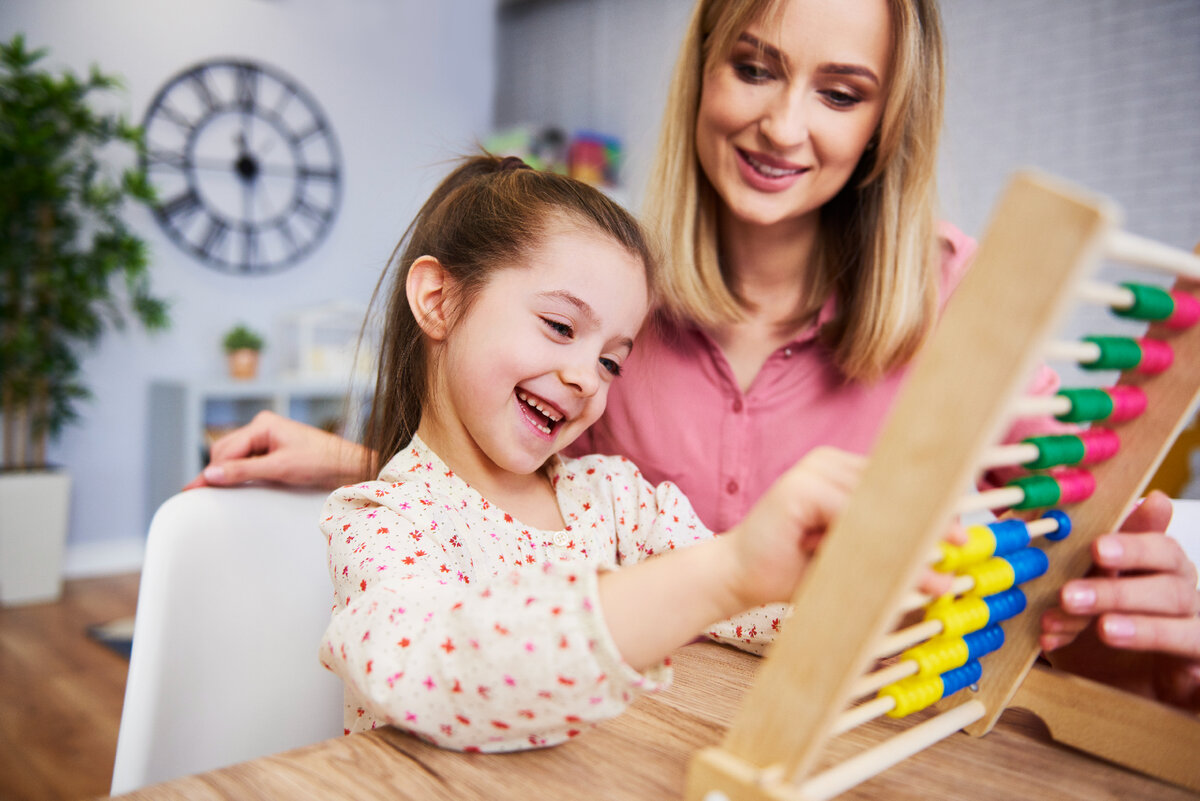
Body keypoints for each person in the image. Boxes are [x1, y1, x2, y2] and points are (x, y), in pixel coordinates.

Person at [189, 0, 1200, 709]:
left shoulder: (971, 302)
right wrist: (374, 464)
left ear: (888, 124)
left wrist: (1106, 595)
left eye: (840, 91)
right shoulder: (616, 289)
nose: (782, 123)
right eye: (754, 66)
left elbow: (1015, 583)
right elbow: (514, 532)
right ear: (703, 72)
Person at [318, 153, 879, 751]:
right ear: (438, 300)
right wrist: (725, 573)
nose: (588, 378)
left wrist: (867, 603)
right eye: (560, 326)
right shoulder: (382, 521)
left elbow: (753, 606)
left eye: (612, 360)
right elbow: (430, 673)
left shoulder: (615, 500)